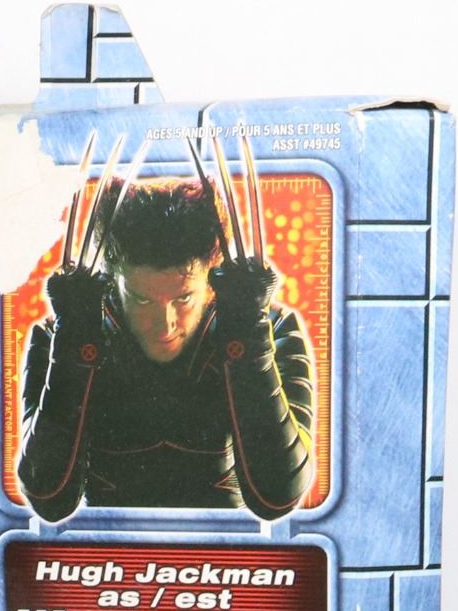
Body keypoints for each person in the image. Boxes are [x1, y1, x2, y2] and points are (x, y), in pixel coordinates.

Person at [17, 178, 314, 522]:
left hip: (224, 549)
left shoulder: (270, 329)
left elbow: (279, 498)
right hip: (107, 548)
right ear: (113, 284)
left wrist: (248, 335)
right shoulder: (61, 335)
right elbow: (48, 500)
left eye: (184, 298)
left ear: (211, 283)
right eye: (142, 300)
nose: (166, 324)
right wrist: (74, 341)